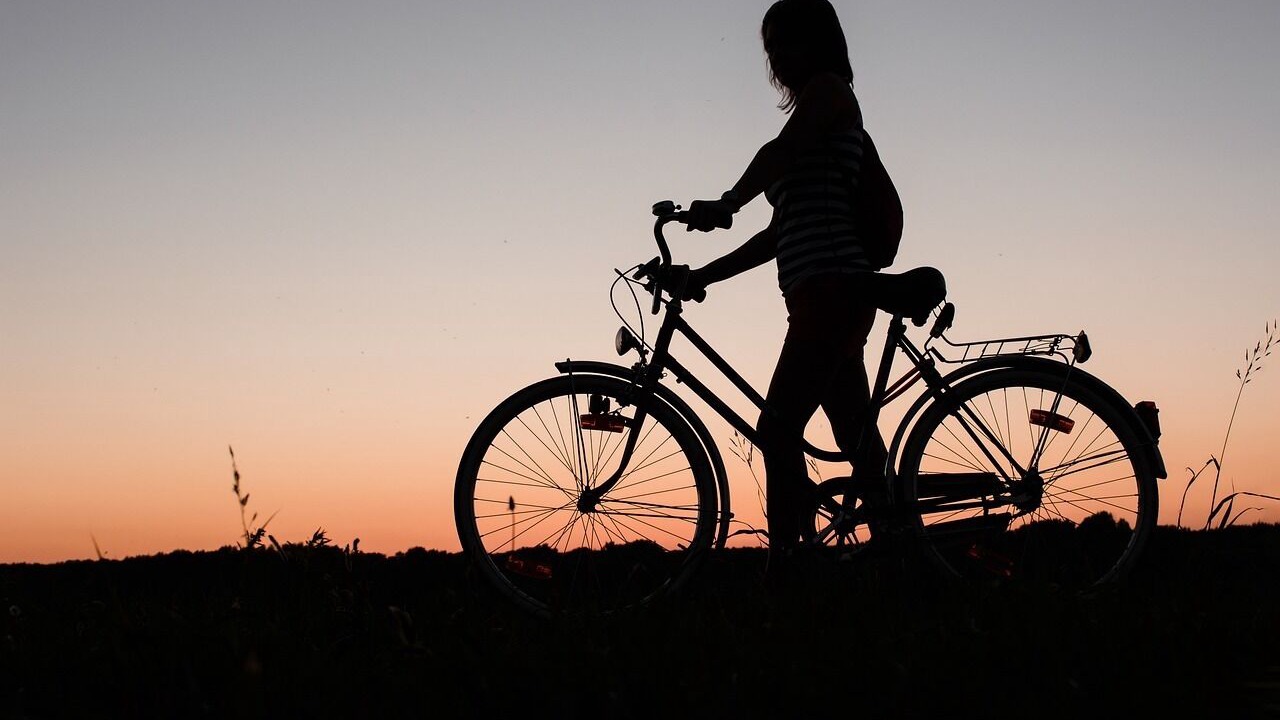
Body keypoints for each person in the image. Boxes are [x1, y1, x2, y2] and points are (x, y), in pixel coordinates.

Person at [682, 0, 897, 556]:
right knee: (855, 438)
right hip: (819, 295)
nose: (776, 53)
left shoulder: (829, 95)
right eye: (769, 44)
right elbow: (777, 235)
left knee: (778, 429)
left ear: (819, 41)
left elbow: (779, 152)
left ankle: (789, 574)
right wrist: (702, 275)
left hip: (834, 290)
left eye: (785, 39)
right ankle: (905, 557)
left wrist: (729, 201)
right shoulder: (812, 120)